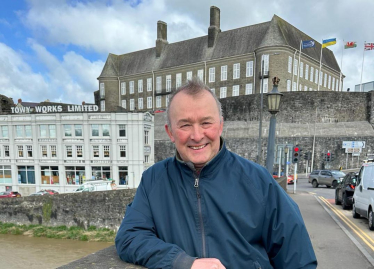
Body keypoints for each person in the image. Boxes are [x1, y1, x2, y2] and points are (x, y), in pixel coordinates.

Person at [115, 78, 317, 269]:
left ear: (220, 125)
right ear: (170, 133)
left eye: (206, 123)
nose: (197, 135)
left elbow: (298, 258)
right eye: (185, 125)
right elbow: (129, 237)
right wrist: (181, 262)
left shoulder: (258, 180)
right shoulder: (153, 180)